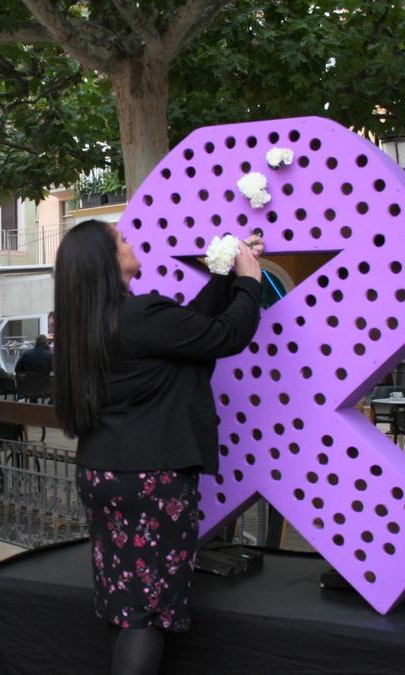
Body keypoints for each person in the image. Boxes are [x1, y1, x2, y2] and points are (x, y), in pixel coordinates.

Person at [53, 219, 263, 675]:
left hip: (103, 475)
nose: (130, 242)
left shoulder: (88, 326)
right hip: (152, 480)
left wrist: (227, 273)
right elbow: (226, 335)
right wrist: (249, 281)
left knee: (126, 603)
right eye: (121, 240)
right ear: (107, 262)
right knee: (148, 614)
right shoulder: (140, 316)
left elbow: (190, 330)